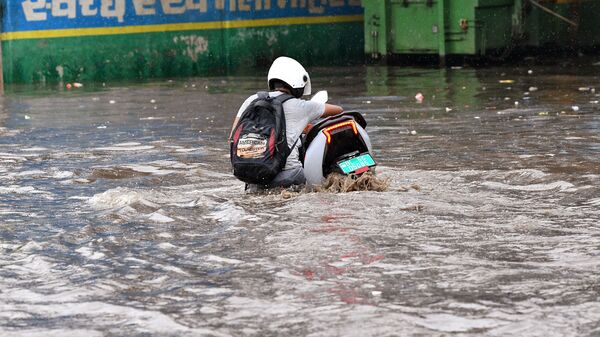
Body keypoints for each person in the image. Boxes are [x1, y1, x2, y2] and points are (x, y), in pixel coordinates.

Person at [229, 56, 343, 190]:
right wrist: (314, 105)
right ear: (297, 82)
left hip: (254, 180)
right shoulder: (301, 106)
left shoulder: (251, 100)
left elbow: (232, 137)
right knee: (324, 183)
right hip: (291, 176)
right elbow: (338, 110)